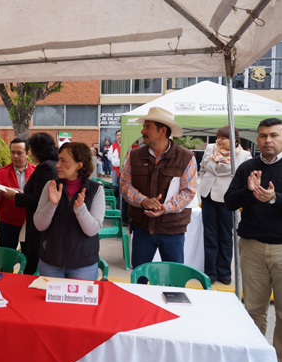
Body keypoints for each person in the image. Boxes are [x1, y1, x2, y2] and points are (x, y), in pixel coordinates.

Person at [224, 118, 282, 362]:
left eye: (273, 135)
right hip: (252, 248)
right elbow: (228, 201)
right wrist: (249, 192)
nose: (267, 140)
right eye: (262, 136)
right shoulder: (247, 167)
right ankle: (256, 361)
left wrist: (274, 198)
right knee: (253, 312)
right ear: (257, 139)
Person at [120, 107, 197, 268]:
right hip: (142, 228)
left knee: (173, 281)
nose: (143, 130)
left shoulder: (186, 157)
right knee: (140, 278)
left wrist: (165, 207)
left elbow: (188, 191)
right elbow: (125, 184)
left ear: (162, 130)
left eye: (147, 127)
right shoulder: (133, 155)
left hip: (172, 230)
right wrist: (143, 201)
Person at [34, 142, 105, 280]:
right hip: (50, 262)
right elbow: (39, 225)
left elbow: (92, 230)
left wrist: (80, 209)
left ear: (79, 164)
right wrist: (52, 204)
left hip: (83, 265)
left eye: (63, 160)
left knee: (79, 302)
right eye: (58, 159)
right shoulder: (51, 186)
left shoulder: (95, 190)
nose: (57, 165)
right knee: (48, 302)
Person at [198, 126, 251, 285]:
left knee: (226, 235)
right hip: (207, 194)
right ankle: (210, 272)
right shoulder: (210, 148)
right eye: (218, 137)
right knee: (210, 234)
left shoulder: (243, 155)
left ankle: (224, 272)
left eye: (224, 138)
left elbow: (244, 178)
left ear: (234, 139)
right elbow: (203, 168)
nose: (219, 141)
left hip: (228, 198)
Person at [4, 133, 58, 275]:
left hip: (37, 224)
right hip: (32, 221)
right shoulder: (52, 165)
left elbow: (38, 198)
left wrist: (15, 196)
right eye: (12, 152)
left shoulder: (44, 167)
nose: (15, 156)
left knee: (31, 262)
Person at [0, 138, 35, 249]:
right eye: (12, 152)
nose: (15, 156)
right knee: (6, 258)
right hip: (7, 223)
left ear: (27, 154)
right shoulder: (0, 173)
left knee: (30, 258)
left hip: (29, 223)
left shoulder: (36, 172)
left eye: (19, 153)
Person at [107, 130, 121, 198]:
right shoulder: (113, 145)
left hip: (124, 169)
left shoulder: (126, 144)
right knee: (115, 184)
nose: (119, 137)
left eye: (120, 135)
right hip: (115, 168)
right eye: (118, 135)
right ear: (116, 137)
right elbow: (109, 156)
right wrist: (114, 159)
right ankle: (116, 198)